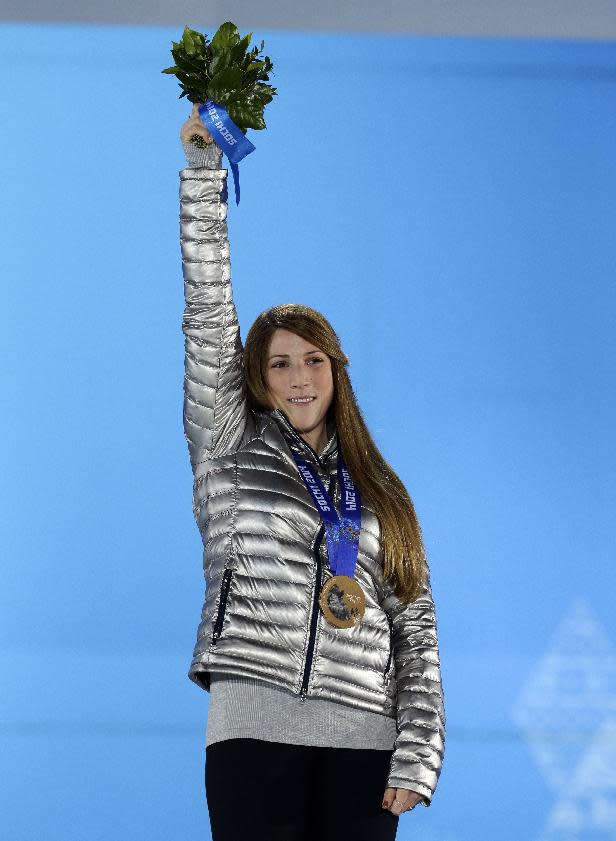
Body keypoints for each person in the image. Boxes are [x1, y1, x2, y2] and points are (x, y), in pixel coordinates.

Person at [178, 103, 446, 841]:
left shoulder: (381, 490)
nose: (300, 378)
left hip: (365, 737)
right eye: (280, 363)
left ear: (337, 369)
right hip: (253, 724)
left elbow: (415, 629)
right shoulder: (227, 443)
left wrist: (417, 754)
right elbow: (207, 316)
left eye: (314, 360)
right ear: (257, 378)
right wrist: (204, 173)